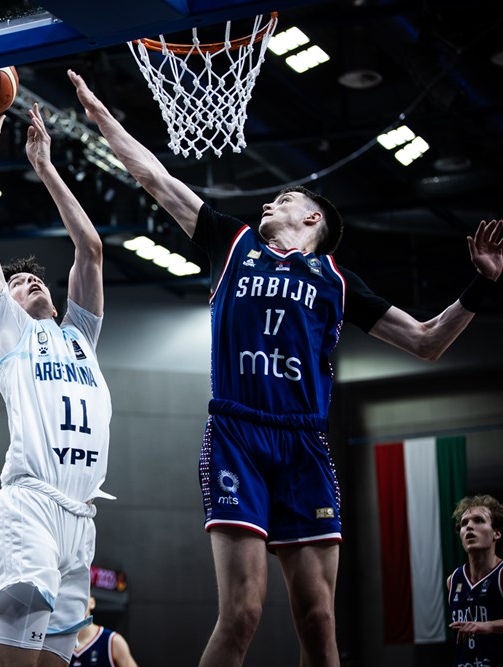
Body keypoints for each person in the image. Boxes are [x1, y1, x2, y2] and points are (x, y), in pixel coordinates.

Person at [67, 69, 503, 667]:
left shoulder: (338, 282)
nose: (272, 200)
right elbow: (154, 177)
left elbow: (427, 341)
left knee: (319, 619)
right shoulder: (233, 243)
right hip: (237, 434)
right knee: (243, 612)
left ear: (313, 221)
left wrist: (481, 285)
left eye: (288, 198)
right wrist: (100, 114)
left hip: (303, 443)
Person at [0, 102, 114, 667]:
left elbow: (90, 249)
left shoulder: (80, 337)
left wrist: (45, 166)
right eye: (16, 283)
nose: (27, 283)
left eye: (33, 278)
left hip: (80, 520)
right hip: (30, 511)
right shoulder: (10, 334)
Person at [448, 495, 503, 665]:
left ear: (496, 533)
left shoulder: (501, 574)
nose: (469, 526)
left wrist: (487, 626)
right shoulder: (453, 580)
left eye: (478, 520)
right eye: (464, 523)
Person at [70, 597, 139, 667]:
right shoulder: (59, 644)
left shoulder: (113, 641)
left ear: (92, 602)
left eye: (82, 597)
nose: (77, 603)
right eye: (72, 599)